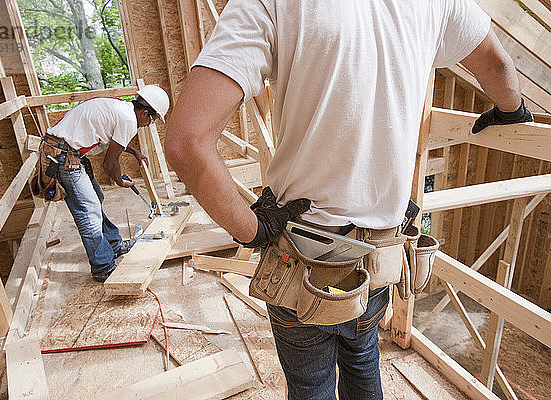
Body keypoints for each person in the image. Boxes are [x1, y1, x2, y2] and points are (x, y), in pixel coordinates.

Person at [164, 0, 532, 398]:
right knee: (362, 359)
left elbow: (187, 142)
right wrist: (511, 110)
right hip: (379, 255)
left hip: (300, 261)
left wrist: (252, 230)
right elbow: (497, 66)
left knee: (311, 385)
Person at [43, 85, 169, 282]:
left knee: (96, 197)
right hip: (63, 155)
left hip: (66, 151)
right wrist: (119, 181)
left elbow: (114, 139)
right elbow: (109, 164)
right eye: (152, 120)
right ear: (145, 113)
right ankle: (103, 267)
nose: (149, 124)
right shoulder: (128, 119)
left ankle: (113, 245)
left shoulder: (122, 109)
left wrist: (135, 152)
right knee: (88, 209)